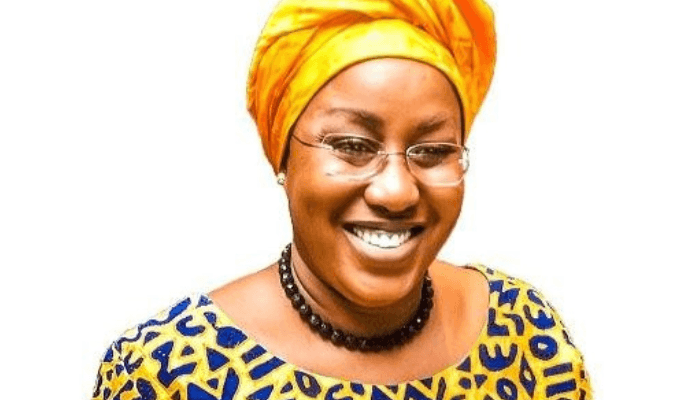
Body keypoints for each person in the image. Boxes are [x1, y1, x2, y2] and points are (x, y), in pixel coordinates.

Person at [91, 0, 592, 399]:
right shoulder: (167, 374)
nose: (396, 191)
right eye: (352, 146)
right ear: (284, 157)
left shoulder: (524, 335)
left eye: (433, 151)